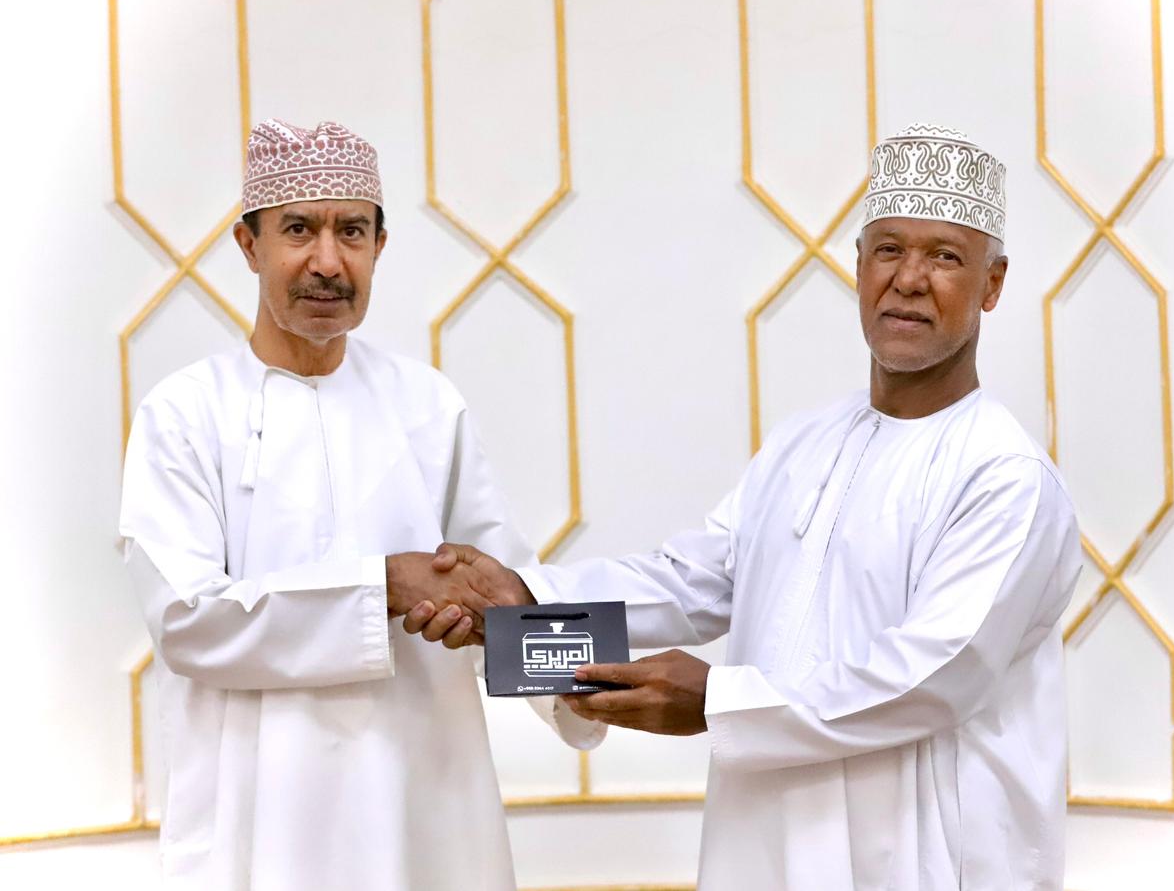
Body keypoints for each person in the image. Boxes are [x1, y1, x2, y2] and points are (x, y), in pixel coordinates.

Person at [412, 124, 1083, 890]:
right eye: (889, 250)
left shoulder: (1006, 479)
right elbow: (694, 580)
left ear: (993, 285)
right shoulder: (804, 444)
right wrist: (526, 600)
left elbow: (933, 676)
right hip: (766, 844)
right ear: (858, 265)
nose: (908, 278)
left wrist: (716, 703)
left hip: (923, 858)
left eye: (945, 257)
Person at [119, 119, 601, 891]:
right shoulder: (185, 414)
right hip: (262, 817)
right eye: (298, 230)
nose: (327, 262)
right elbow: (188, 620)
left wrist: (591, 681)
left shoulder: (426, 404)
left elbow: (503, 586)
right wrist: (385, 587)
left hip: (423, 805)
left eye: (350, 231)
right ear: (248, 246)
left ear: (380, 245)